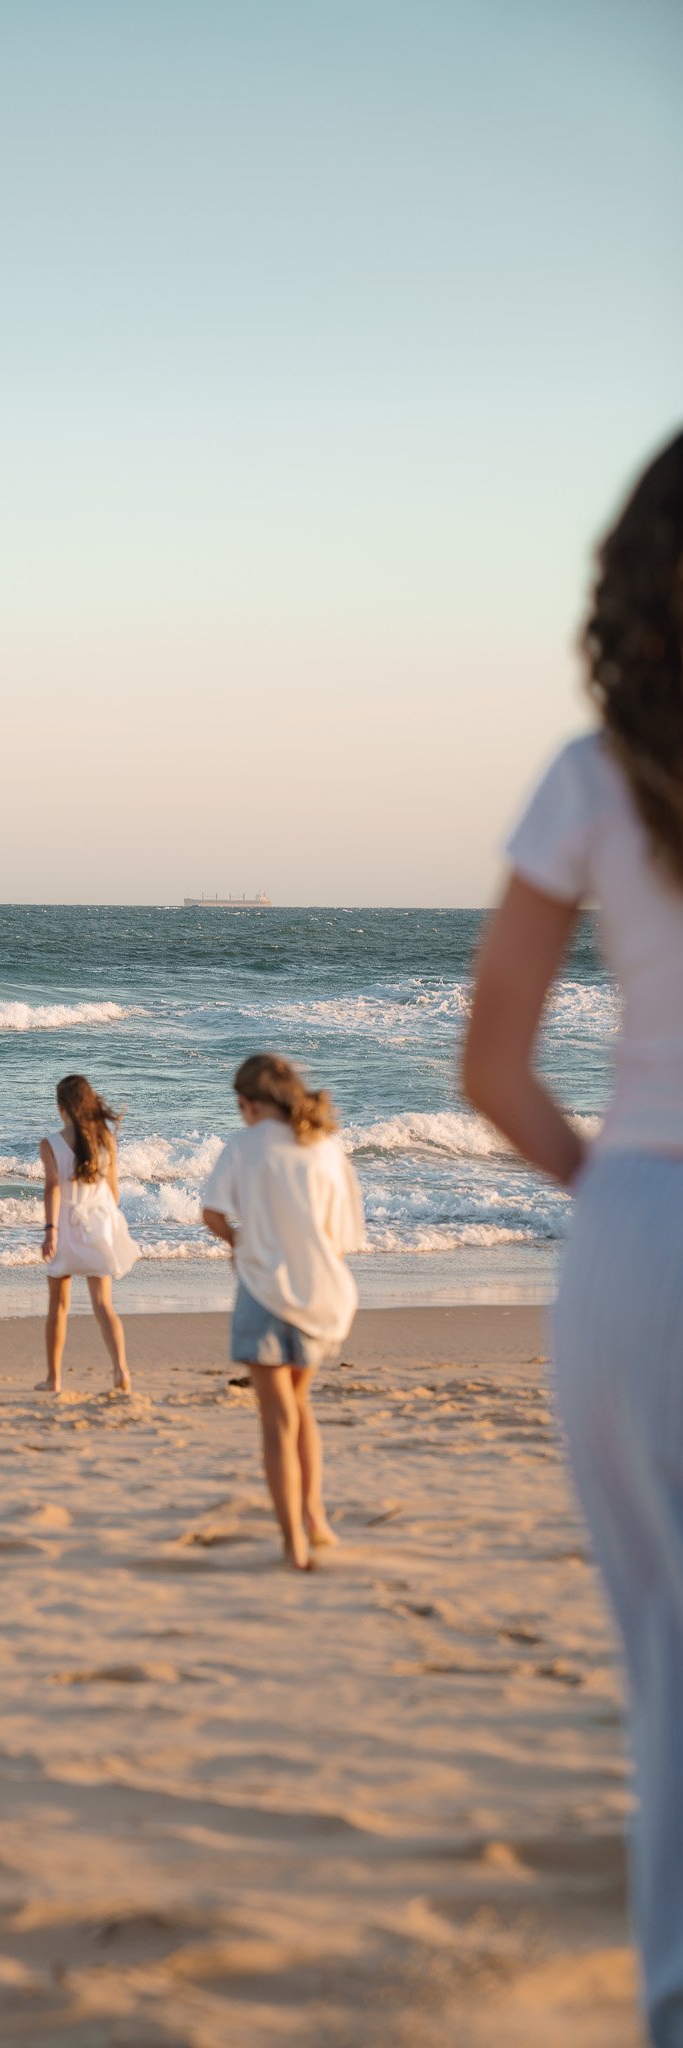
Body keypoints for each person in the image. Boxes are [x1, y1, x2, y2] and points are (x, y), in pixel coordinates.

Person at [463, 429, 683, 2048]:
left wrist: (609, 1176)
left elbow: (493, 1064)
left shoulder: (600, 773)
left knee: (668, 1669)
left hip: (641, 1240)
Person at [200, 1053, 364, 1571]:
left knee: (276, 1419)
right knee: (300, 1406)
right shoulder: (325, 1146)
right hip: (321, 1293)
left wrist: (240, 1241)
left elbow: (211, 1212)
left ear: (248, 1103)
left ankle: (293, 1540)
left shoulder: (244, 1146)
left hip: (264, 1292)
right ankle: (316, 1519)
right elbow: (342, 1234)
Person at [39, 1074, 137, 1394]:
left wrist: (51, 1230)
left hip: (66, 1228)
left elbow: (53, 1188)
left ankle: (54, 1379)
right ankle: (121, 1371)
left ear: (62, 1107)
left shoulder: (51, 1143)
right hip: (97, 1227)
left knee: (59, 1306)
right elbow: (115, 1194)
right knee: (103, 1304)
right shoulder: (106, 1141)